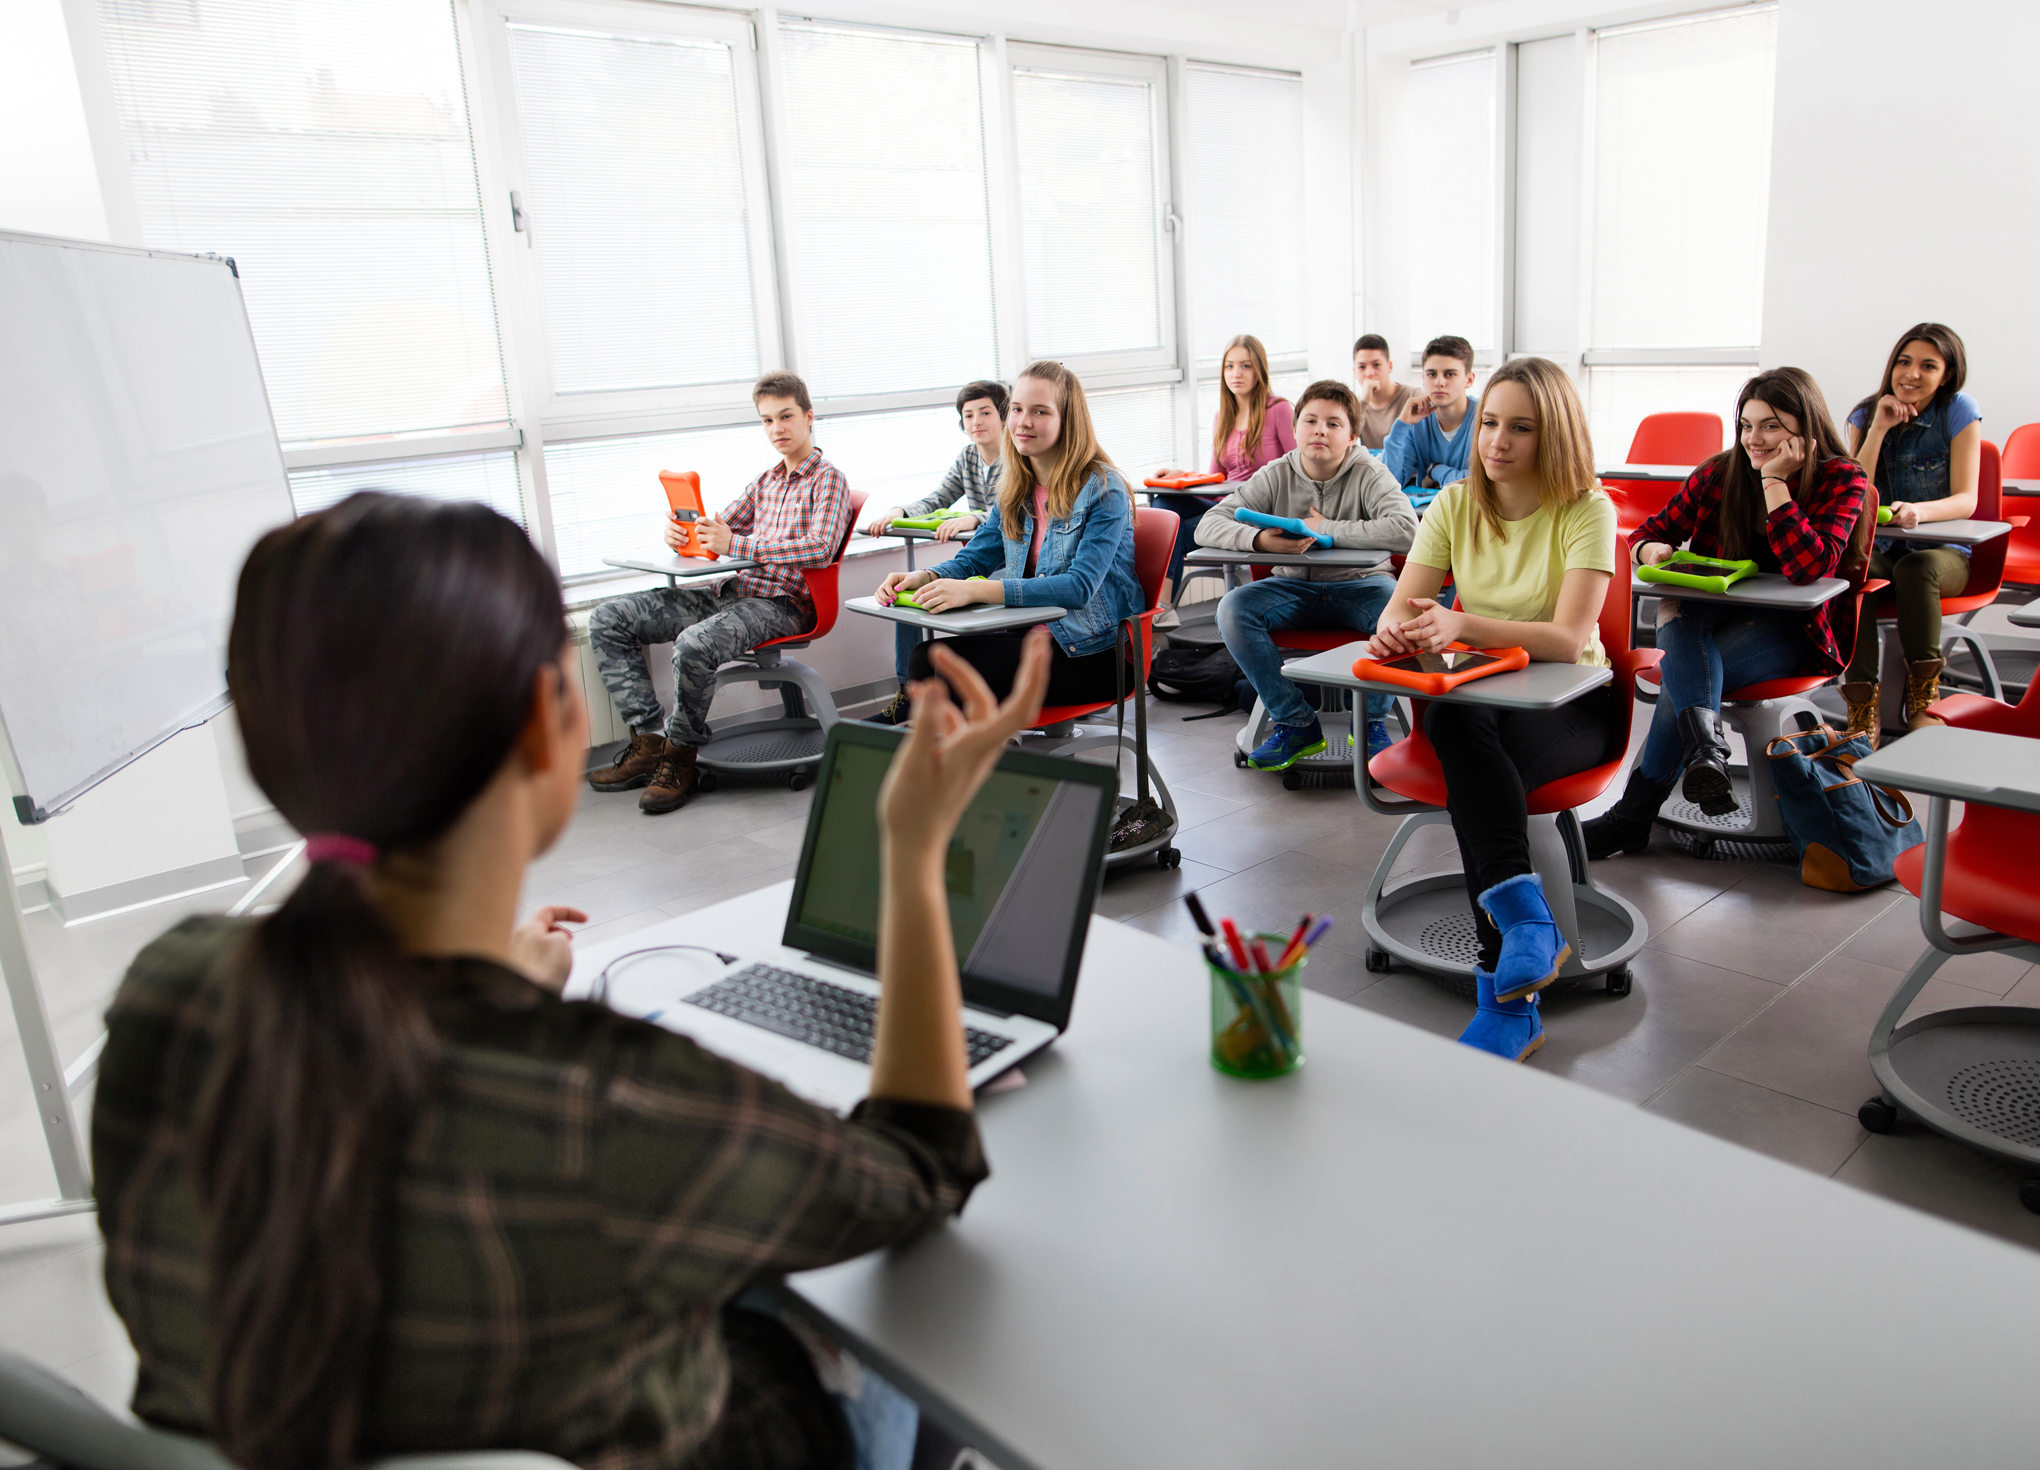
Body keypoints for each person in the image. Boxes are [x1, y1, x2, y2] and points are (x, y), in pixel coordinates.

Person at [92, 490, 1051, 1470]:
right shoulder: (611, 1099)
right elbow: (916, 1174)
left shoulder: (167, 993)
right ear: (547, 731)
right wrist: (914, 865)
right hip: (714, 1434)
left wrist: (480, 988)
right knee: (854, 1310)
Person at [1361, 357, 1617, 1063]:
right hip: (1478, 700)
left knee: (1473, 766)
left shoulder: (1589, 508)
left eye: (1521, 428)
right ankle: (1525, 928)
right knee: (1453, 717)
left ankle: (1505, 996)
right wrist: (1395, 629)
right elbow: (1401, 606)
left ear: (1555, 435)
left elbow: (1567, 640)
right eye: (1491, 423)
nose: (1497, 441)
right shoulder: (1454, 503)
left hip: (1572, 705)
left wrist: (1464, 625)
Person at [1582, 369, 1870, 858]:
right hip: (1709, 621)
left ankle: (1634, 814)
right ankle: (1705, 754)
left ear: (1806, 429)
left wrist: (1775, 483)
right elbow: (1646, 533)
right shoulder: (1719, 472)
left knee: (1681, 684)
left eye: (1772, 426)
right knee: (1677, 612)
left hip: (1796, 631)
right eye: (1747, 425)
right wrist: (1652, 551)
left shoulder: (1843, 478)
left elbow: (1809, 567)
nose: (1755, 439)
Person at [586, 371, 852, 813]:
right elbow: (719, 530)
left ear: (808, 416)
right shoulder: (765, 482)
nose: (777, 429)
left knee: (694, 644)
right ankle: (650, 740)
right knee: (609, 618)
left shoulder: (828, 480)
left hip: (781, 605)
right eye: (767, 421)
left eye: (785, 417)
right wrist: (686, 535)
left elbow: (820, 549)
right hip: (730, 594)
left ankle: (680, 757)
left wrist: (738, 544)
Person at [877, 359, 1143, 709]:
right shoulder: (1016, 486)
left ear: (1069, 421)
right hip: (1033, 636)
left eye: (1040, 411)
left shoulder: (1103, 487)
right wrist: (927, 576)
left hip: (1095, 653)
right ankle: (964, 755)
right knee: (927, 658)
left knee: (934, 667)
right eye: (1016, 409)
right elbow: (977, 556)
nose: (1023, 422)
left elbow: (1078, 587)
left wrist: (974, 591)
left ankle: (966, 755)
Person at [1196, 379, 1416, 770]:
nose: (1320, 430)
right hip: (1292, 586)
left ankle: (1369, 723)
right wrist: (1260, 540)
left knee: (1398, 615)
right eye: (1311, 421)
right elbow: (1208, 525)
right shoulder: (1276, 472)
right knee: (1232, 609)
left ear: (1351, 435)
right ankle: (1295, 722)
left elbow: (1405, 528)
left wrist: (1328, 528)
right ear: (1295, 429)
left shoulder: (1369, 471)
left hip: (1362, 585)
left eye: (1333, 423)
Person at [1840, 323, 1982, 743]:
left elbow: (1966, 500)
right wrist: (1879, 429)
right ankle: (1861, 706)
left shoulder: (1957, 410)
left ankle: (1924, 697)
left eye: (1928, 365)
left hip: (1944, 553)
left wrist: (1918, 511)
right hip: (1883, 547)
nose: (1911, 374)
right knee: (1852, 570)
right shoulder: (1867, 414)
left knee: (1917, 568)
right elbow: (1852, 492)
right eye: (1904, 362)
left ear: (1948, 374)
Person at [860, 380, 1009, 724]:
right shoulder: (968, 457)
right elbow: (938, 498)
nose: (976, 422)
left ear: (1003, 417)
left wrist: (976, 516)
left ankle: (973, 699)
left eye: (985, 412)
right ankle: (906, 695)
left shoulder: (1019, 457)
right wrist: (900, 511)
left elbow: (1013, 509)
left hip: (1009, 564)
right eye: (968, 415)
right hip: (976, 560)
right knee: (906, 592)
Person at [1148, 334, 1296, 624]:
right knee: (1165, 506)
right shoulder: (1222, 415)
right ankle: (1162, 607)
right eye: (1229, 366)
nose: (1236, 374)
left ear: (1259, 370)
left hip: (1259, 511)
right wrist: (1183, 475)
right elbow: (1218, 476)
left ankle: (1160, 608)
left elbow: (1296, 468)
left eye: (1245, 366)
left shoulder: (1278, 409)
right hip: (1225, 506)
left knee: (1176, 528)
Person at [1380, 334, 1479, 509]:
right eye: (1432, 374)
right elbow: (1388, 485)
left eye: (1450, 374)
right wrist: (1401, 424)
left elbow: (1480, 482)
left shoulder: (1484, 418)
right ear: (1423, 378)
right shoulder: (1416, 421)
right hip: (1427, 519)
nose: (1439, 382)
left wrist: (1436, 470)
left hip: (1473, 515)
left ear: (1469, 380)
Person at [1352, 333, 1415, 451]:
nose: (1370, 373)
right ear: (1354, 371)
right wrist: (1364, 401)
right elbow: (1347, 440)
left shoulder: (1413, 396)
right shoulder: (1355, 405)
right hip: (1373, 468)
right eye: (1362, 367)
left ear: (1389, 366)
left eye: (1376, 365)